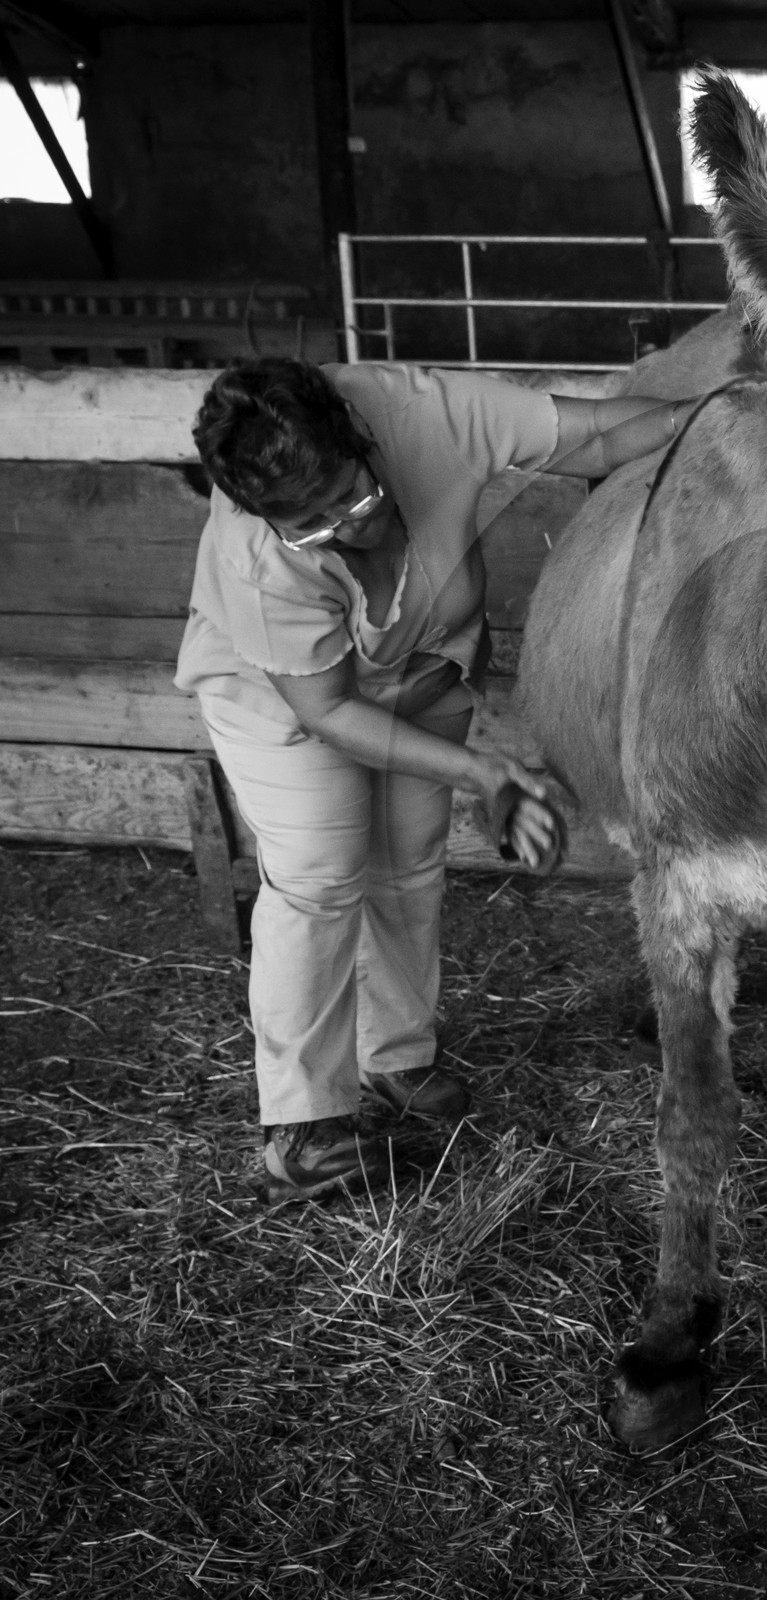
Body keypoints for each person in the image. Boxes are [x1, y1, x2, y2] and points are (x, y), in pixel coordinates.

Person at [177, 358, 689, 1202]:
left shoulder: (428, 415)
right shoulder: (257, 555)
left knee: (409, 864)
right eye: (307, 526)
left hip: (421, 664)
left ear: (361, 440)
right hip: (287, 700)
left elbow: (601, 429)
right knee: (320, 875)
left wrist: (705, 419)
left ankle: (398, 1059)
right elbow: (331, 711)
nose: (339, 529)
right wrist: (483, 771)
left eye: (350, 496)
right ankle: (301, 1126)